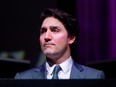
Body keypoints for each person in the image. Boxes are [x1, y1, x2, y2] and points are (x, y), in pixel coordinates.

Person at [14, 8, 105, 79]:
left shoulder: (94, 76)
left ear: (71, 38)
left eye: (55, 30)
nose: (47, 36)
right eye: (43, 31)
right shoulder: (23, 78)